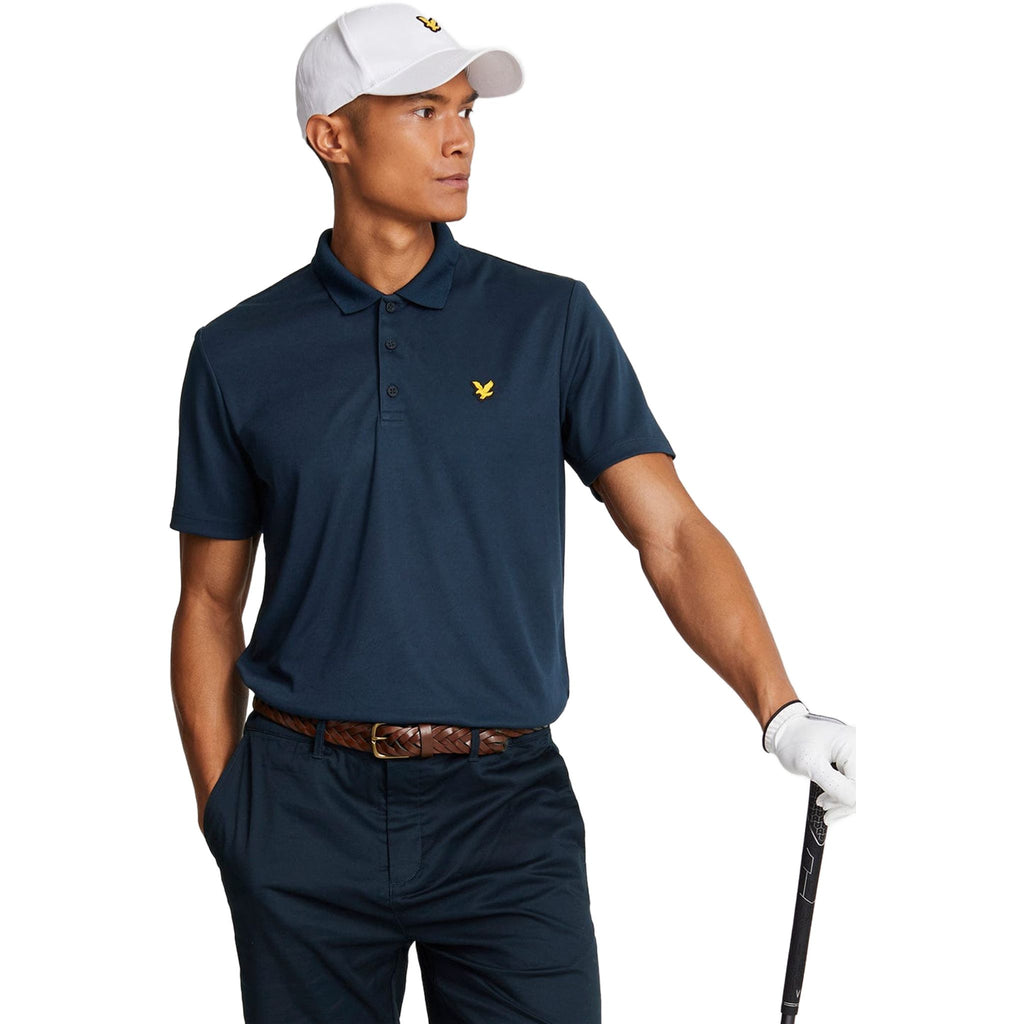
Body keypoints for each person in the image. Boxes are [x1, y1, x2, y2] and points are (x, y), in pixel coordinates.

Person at [169, 5, 856, 1022]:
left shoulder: (549, 320)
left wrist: (780, 708)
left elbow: (670, 533)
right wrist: (226, 810)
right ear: (331, 137)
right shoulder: (238, 351)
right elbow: (208, 602)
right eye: (422, 111)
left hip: (504, 812)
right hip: (301, 804)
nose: (459, 138)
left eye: (465, 110)